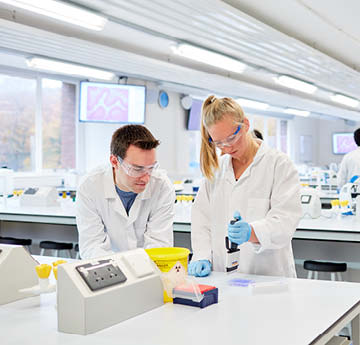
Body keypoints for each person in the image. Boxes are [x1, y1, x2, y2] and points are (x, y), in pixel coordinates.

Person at [188, 95, 301, 278]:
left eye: (231, 138)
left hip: (268, 278)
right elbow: (201, 219)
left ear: (245, 125)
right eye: (219, 143)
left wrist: (253, 232)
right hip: (223, 276)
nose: (227, 147)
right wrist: (202, 256)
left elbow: (286, 220)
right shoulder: (217, 170)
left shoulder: (278, 164)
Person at [76, 125, 175, 259]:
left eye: (151, 168)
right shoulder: (90, 187)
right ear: (115, 161)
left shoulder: (162, 186)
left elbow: (159, 246)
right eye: (137, 169)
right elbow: (92, 247)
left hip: (149, 269)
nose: (146, 177)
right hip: (108, 271)